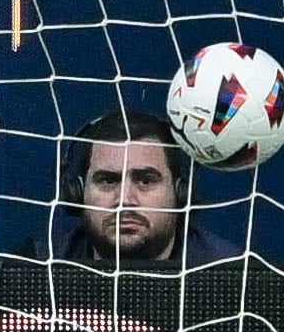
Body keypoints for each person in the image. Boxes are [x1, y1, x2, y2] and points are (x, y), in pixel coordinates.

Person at [46, 108, 242, 268]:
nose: (124, 200)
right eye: (108, 181)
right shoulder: (36, 270)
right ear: (77, 193)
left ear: (181, 192)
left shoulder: (235, 276)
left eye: (145, 181)